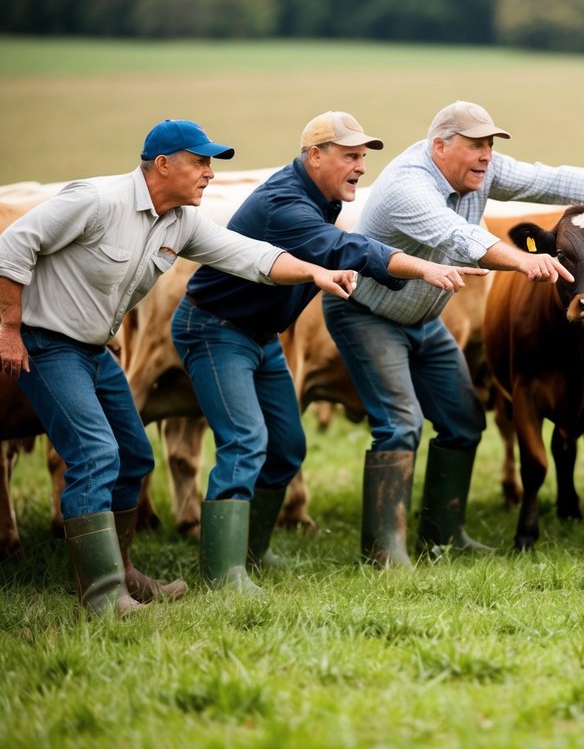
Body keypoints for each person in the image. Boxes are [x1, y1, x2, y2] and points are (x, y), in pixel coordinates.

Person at [0, 119, 359, 616]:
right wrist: (8, 327)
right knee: (96, 453)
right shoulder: (97, 200)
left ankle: (120, 571)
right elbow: (13, 244)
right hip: (48, 343)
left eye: (212, 164)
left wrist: (315, 271)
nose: (209, 173)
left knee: (134, 455)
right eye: (200, 161)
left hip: (95, 350)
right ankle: (102, 595)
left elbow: (248, 255)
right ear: (163, 165)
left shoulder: (180, 221)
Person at [322, 100, 584, 558]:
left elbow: (552, 181)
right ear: (439, 146)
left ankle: (442, 536)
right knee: (401, 424)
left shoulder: (479, 172)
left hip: (421, 316)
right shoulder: (408, 185)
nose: (486, 155)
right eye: (475, 145)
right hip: (367, 313)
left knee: (463, 419)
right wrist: (525, 259)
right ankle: (384, 550)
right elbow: (457, 236)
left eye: (489, 146)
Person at [172, 111, 488, 586]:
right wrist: (423, 268)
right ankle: (222, 572)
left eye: (363, 156)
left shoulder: (321, 197)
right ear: (314, 156)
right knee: (245, 442)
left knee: (286, 449)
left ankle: (248, 553)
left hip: (260, 335)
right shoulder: (287, 205)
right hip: (214, 330)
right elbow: (343, 249)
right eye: (349, 156)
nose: (360, 166)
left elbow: (342, 247)